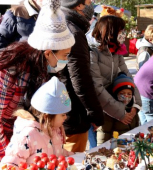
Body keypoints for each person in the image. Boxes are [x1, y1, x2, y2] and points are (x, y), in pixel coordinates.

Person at [0, 1, 75, 169]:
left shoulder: (43, 68)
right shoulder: (7, 70)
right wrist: (13, 160)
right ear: (47, 52)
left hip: (14, 139)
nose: (66, 61)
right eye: (65, 55)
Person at [0, 77, 74, 168]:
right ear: (47, 117)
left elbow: (58, 152)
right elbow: (11, 163)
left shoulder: (55, 129)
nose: (66, 117)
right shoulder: (26, 135)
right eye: (63, 114)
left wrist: (74, 156)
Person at [60, 0, 104, 152]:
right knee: (70, 160)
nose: (90, 3)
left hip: (58, 110)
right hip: (71, 114)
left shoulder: (57, 24)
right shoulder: (73, 32)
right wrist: (95, 114)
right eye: (87, 1)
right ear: (78, 5)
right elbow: (80, 80)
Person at [89, 15, 141, 145]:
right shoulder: (92, 52)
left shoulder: (115, 51)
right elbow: (97, 87)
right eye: (120, 31)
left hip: (113, 107)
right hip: (97, 110)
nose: (123, 34)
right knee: (99, 148)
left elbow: (129, 78)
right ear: (110, 32)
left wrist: (135, 106)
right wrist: (121, 113)